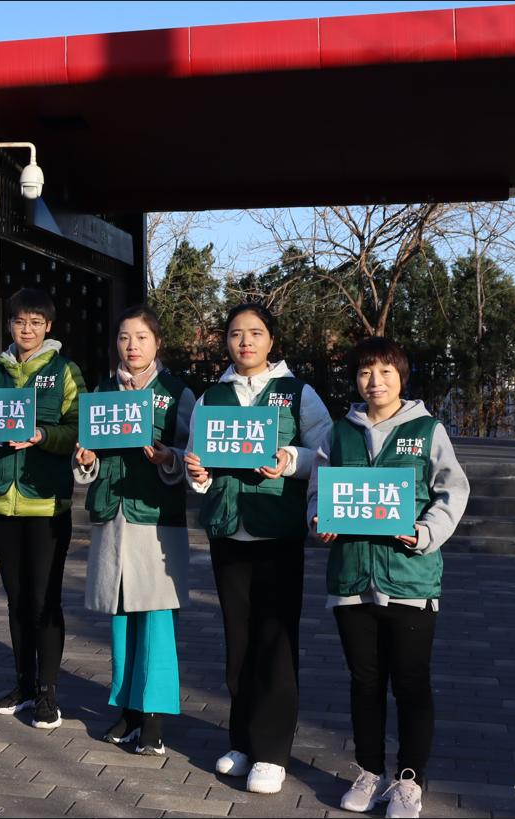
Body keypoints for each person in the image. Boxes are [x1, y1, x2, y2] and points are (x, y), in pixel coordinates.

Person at [307, 337, 469, 818]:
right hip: (353, 577)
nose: (374, 382)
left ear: (402, 376)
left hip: (410, 578)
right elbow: (318, 491)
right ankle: (369, 770)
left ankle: (409, 780)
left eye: (385, 372)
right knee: (365, 680)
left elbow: (452, 490)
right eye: (364, 373)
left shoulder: (426, 429)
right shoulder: (339, 433)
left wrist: (425, 533)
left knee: (412, 682)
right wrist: (320, 520)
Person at [184, 303, 332, 795]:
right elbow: (198, 460)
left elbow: (328, 457)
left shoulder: (297, 394)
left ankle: (272, 751)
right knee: (238, 640)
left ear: (272, 341)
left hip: (277, 532)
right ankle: (242, 740)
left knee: (276, 640)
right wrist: (198, 475)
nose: (244, 342)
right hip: (228, 531)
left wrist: (290, 459)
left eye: (255, 333)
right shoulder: (213, 396)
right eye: (234, 334)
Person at [74, 304, 195, 755]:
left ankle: (154, 718)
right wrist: (85, 461)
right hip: (113, 516)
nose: (132, 346)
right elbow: (88, 458)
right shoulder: (103, 391)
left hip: (155, 519)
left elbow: (193, 456)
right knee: (121, 616)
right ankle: (126, 706)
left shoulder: (177, 393)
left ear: (157, 343)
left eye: (141, 338)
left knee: (157, 616)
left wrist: (170, 459)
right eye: (125, 338)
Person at [0, 287, 86, 730]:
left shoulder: (64, 371)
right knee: (16, 599)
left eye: (36, 321)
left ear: (48, 326)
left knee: (44, 599)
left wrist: (42, 437)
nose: (27, 329)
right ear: (10, 324)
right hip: (0, 501)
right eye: (20, 321)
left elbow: (79, 428)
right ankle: (23, 683)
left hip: (45, 502)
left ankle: (48, 694)